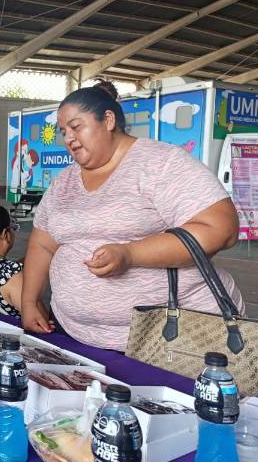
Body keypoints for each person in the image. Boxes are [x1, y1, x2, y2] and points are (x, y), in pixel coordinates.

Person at [19, 79, 245, 351]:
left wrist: (130, 254)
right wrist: (29, 302)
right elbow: (43, 243)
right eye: (63, 131)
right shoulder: (63, 182)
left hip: (172, 341)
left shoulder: (160, 163)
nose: (68, 138)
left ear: (108, 120)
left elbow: (222, 228)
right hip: (77, 335)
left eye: (76, 127)